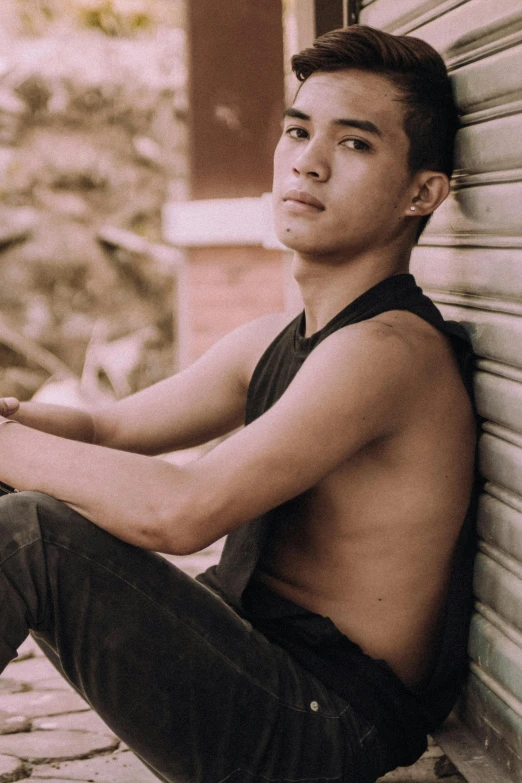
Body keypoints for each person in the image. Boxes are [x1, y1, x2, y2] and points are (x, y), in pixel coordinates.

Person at [0, 24, 476, 783]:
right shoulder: (279, 339)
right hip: (259, 668)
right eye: (297, 130)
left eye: (354, 144)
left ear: (422, 191)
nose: (308, 162)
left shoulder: (388, 351)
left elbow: (182, 513)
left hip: (323, 729)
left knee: (29, 532)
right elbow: (107, 426)